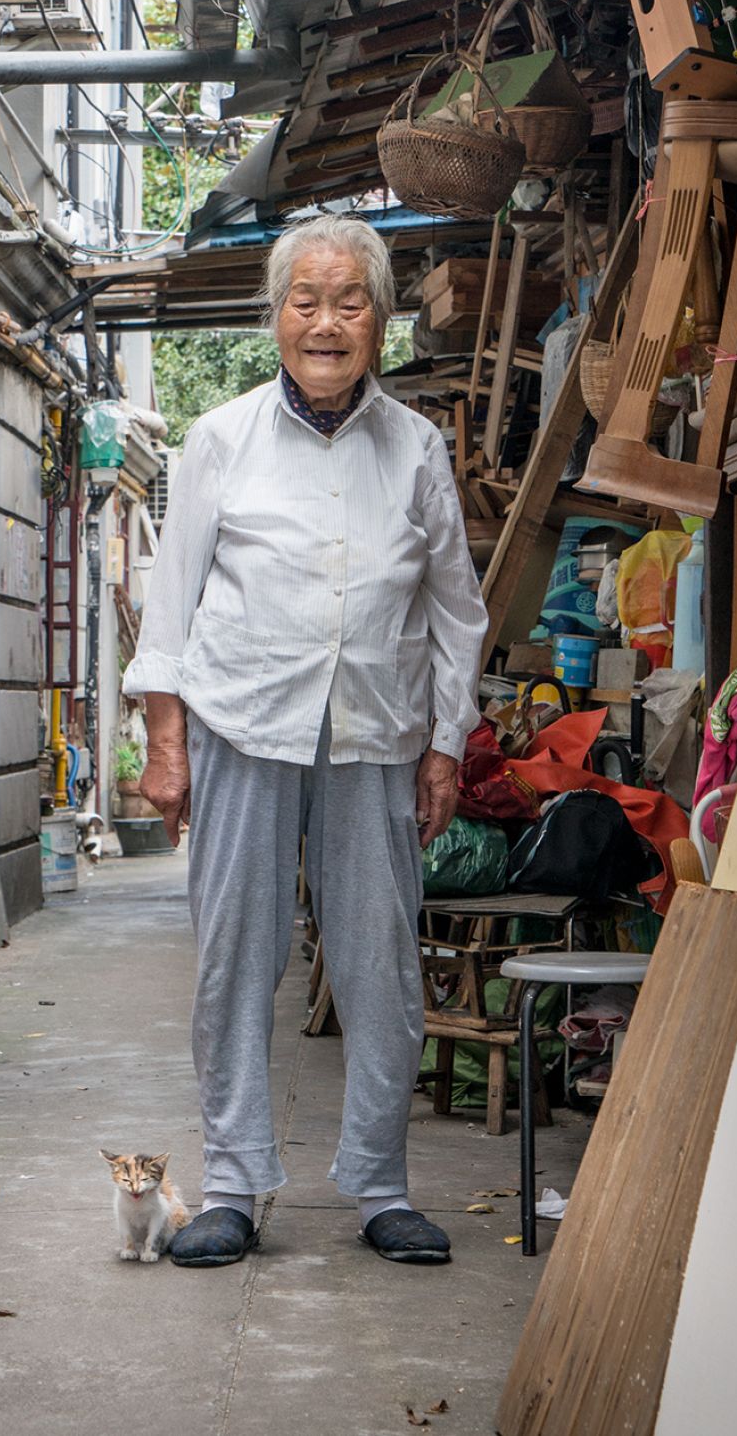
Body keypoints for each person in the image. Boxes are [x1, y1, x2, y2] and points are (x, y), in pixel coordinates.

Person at [122, 215, 487, 1268]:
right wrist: (164, 736)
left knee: (379, 962)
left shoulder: (413, 446)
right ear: (274, 314)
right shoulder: (219, 439)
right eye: (305, 299)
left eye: (350, 300)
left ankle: (377, 1183)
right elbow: (171, 598)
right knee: (238, 955)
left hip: (376, 730)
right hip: (242, 720)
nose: (325, 321)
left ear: (379, 318)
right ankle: (233, 1182)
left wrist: (446, 741)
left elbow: (455, 611)